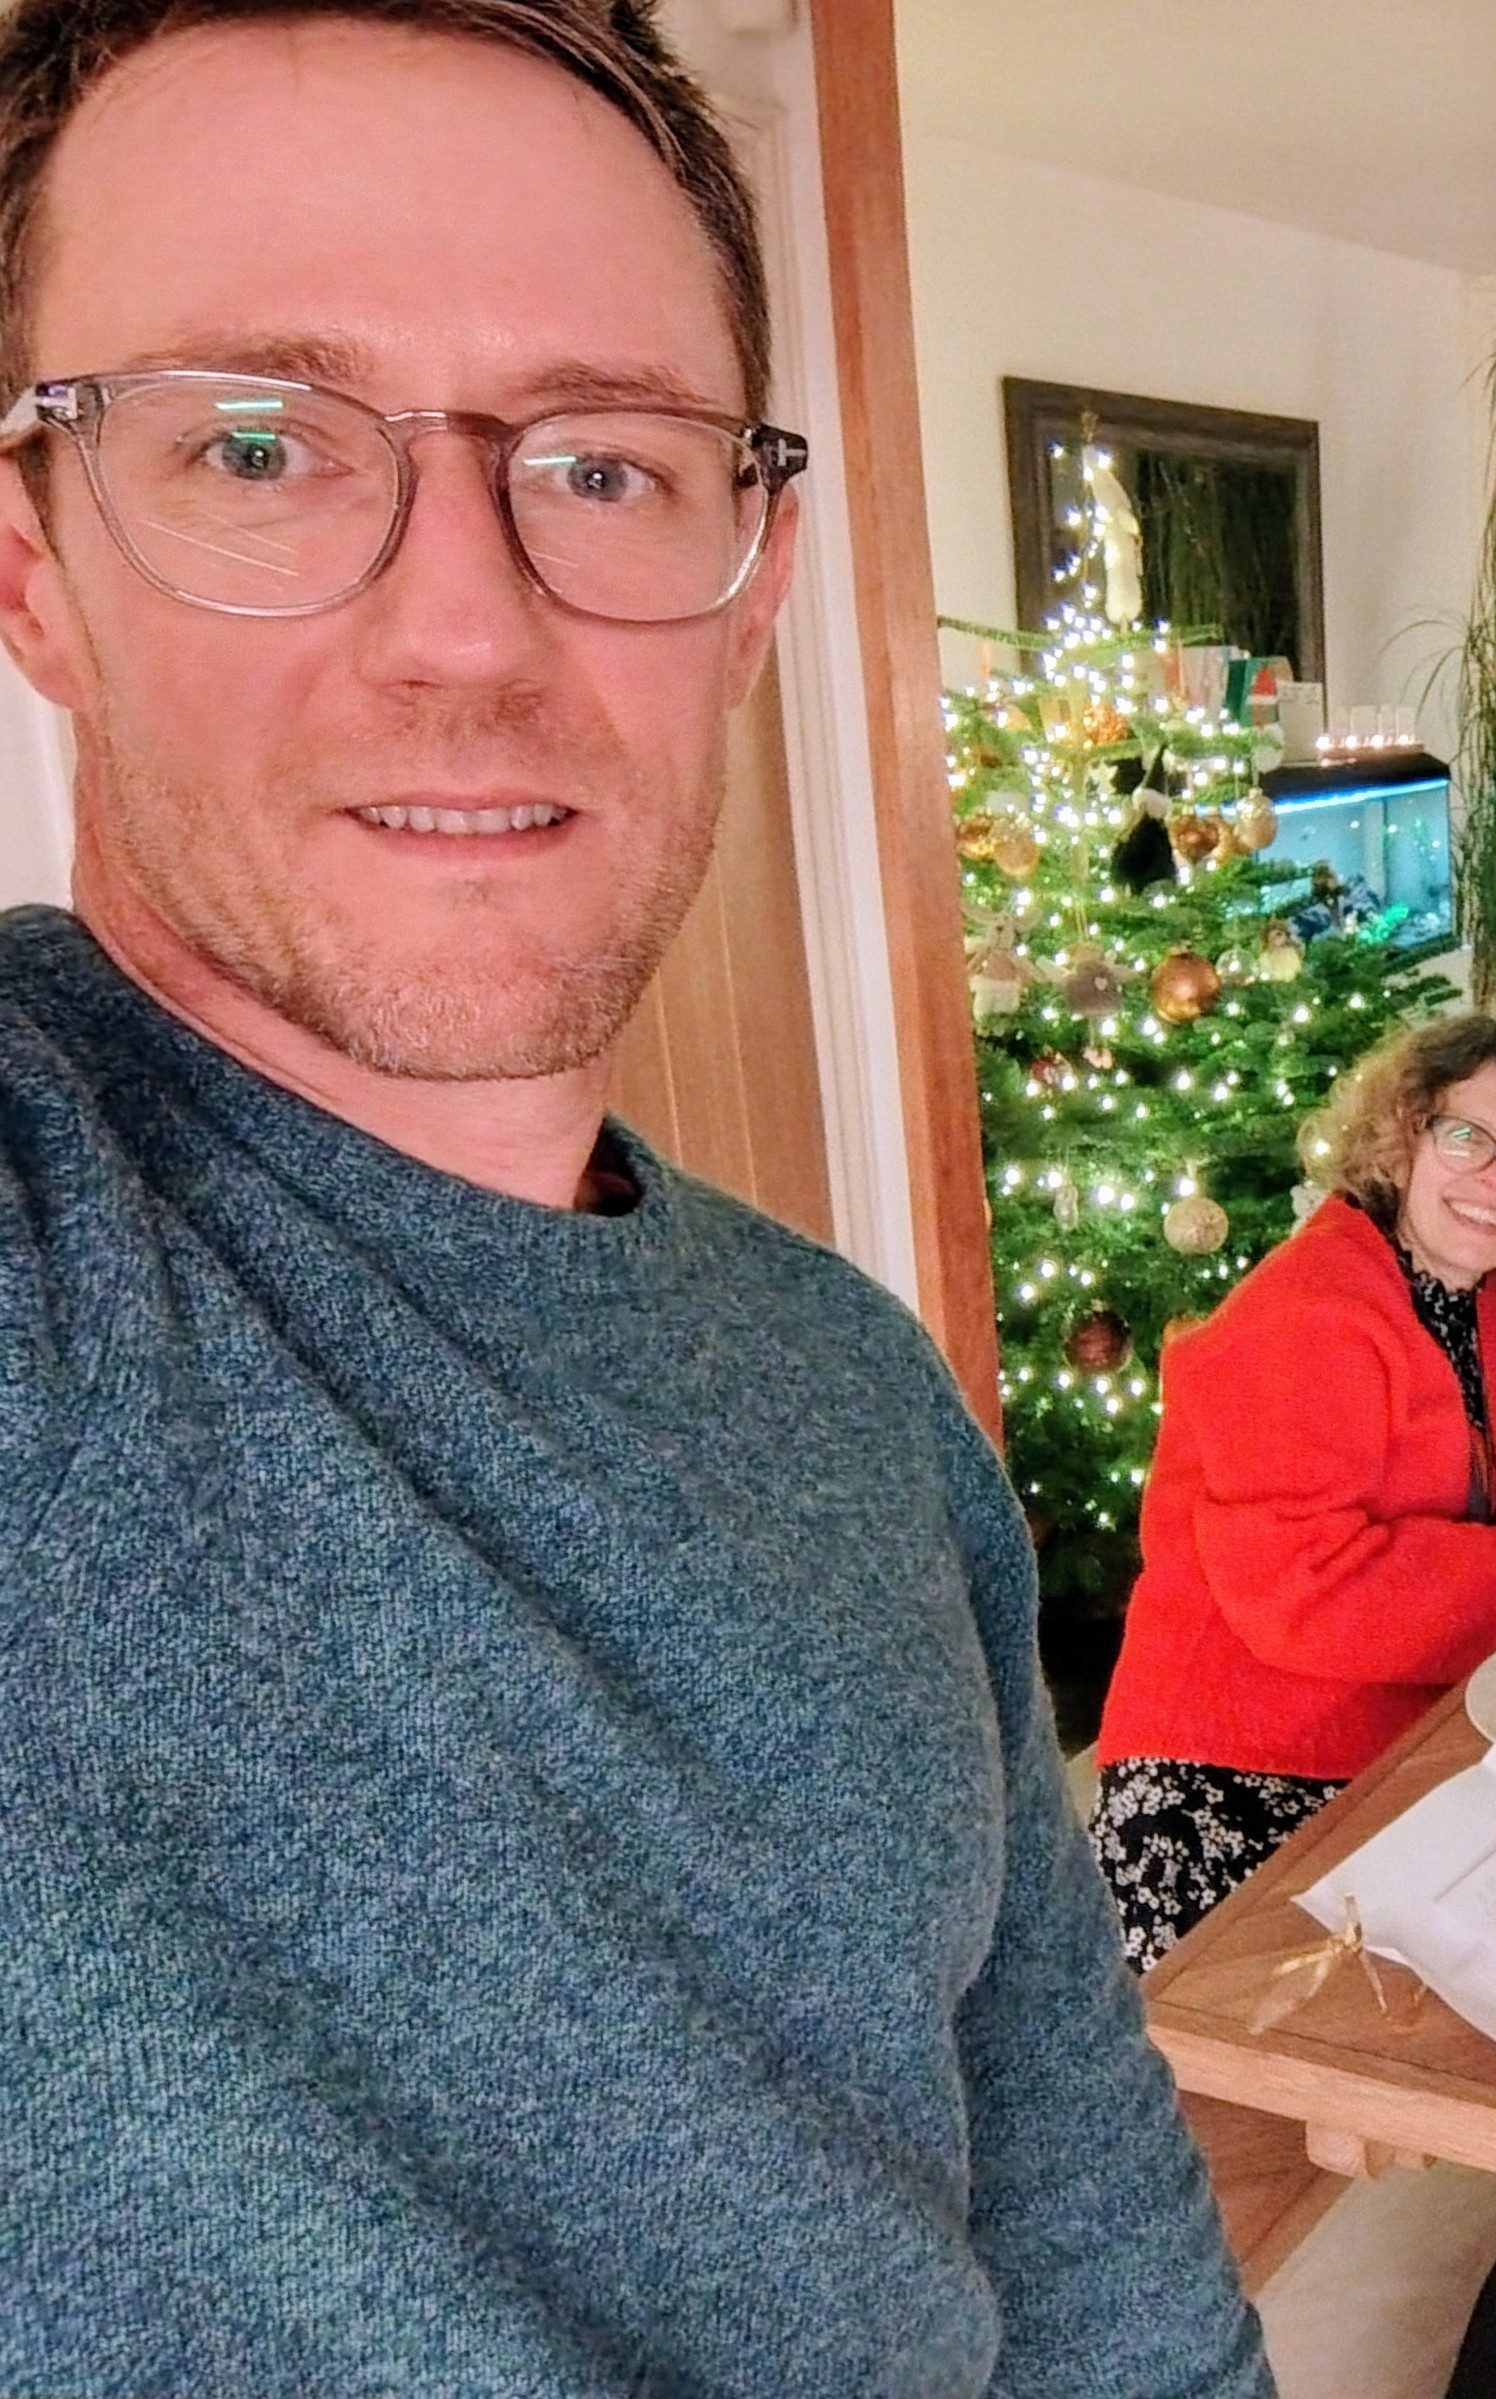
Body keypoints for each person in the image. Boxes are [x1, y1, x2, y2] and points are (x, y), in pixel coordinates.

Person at [0, 4, 1268, 2391]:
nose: (468, 625)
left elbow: (1092, 2236)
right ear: (34, 570)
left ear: (754, 571)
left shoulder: (855, 1391)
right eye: (257, 444)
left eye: (600, 464)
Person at [1092, 1015, 1496, 1970]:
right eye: (1467, 1137)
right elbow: (1307, 1594)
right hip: (1232, 1770)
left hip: (1375, 1727)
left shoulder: (1453, 1287)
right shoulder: (1313, 1315)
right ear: (1404, 1136)